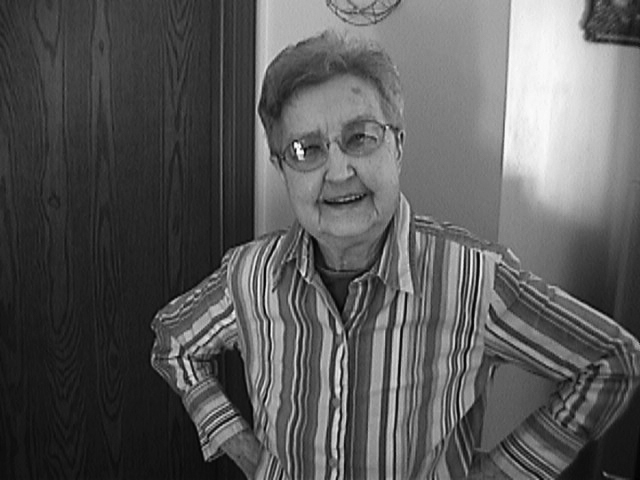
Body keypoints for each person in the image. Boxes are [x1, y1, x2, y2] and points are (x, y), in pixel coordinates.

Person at [150, 30, 640, 479]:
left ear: (398, 146)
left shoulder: (473, 279)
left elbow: (612, 360)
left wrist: (502, 472)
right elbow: (174, 343)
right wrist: (243, 448)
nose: (338, 171)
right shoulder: (249, 276)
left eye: (360, 137)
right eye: (305, 150)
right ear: (282, 168)